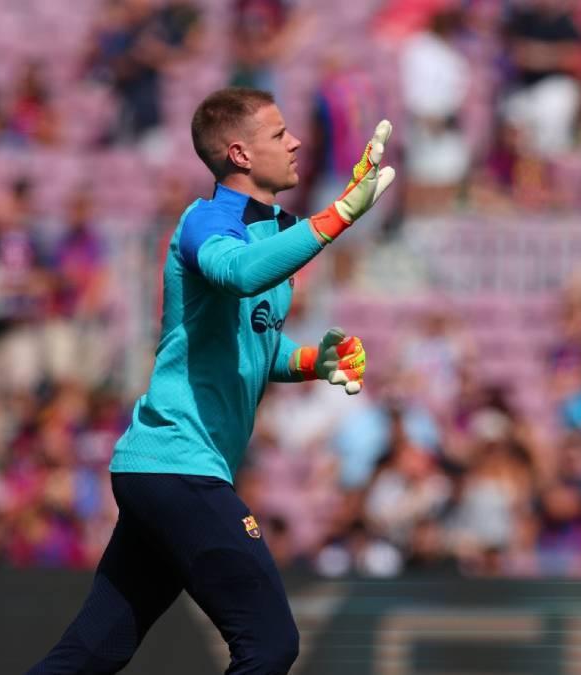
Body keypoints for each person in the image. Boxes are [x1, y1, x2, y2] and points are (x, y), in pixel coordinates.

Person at [28, 87, 395, 674]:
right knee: (270, 643)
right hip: (180, 467)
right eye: (278, 134)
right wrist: (342, 213)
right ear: (240, 154)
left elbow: (255, 342)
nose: (296, 141)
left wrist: (310, 363)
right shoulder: (205, 222)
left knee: (92, 653)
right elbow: (242, 274)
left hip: (166, 470)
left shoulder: (279, 228)